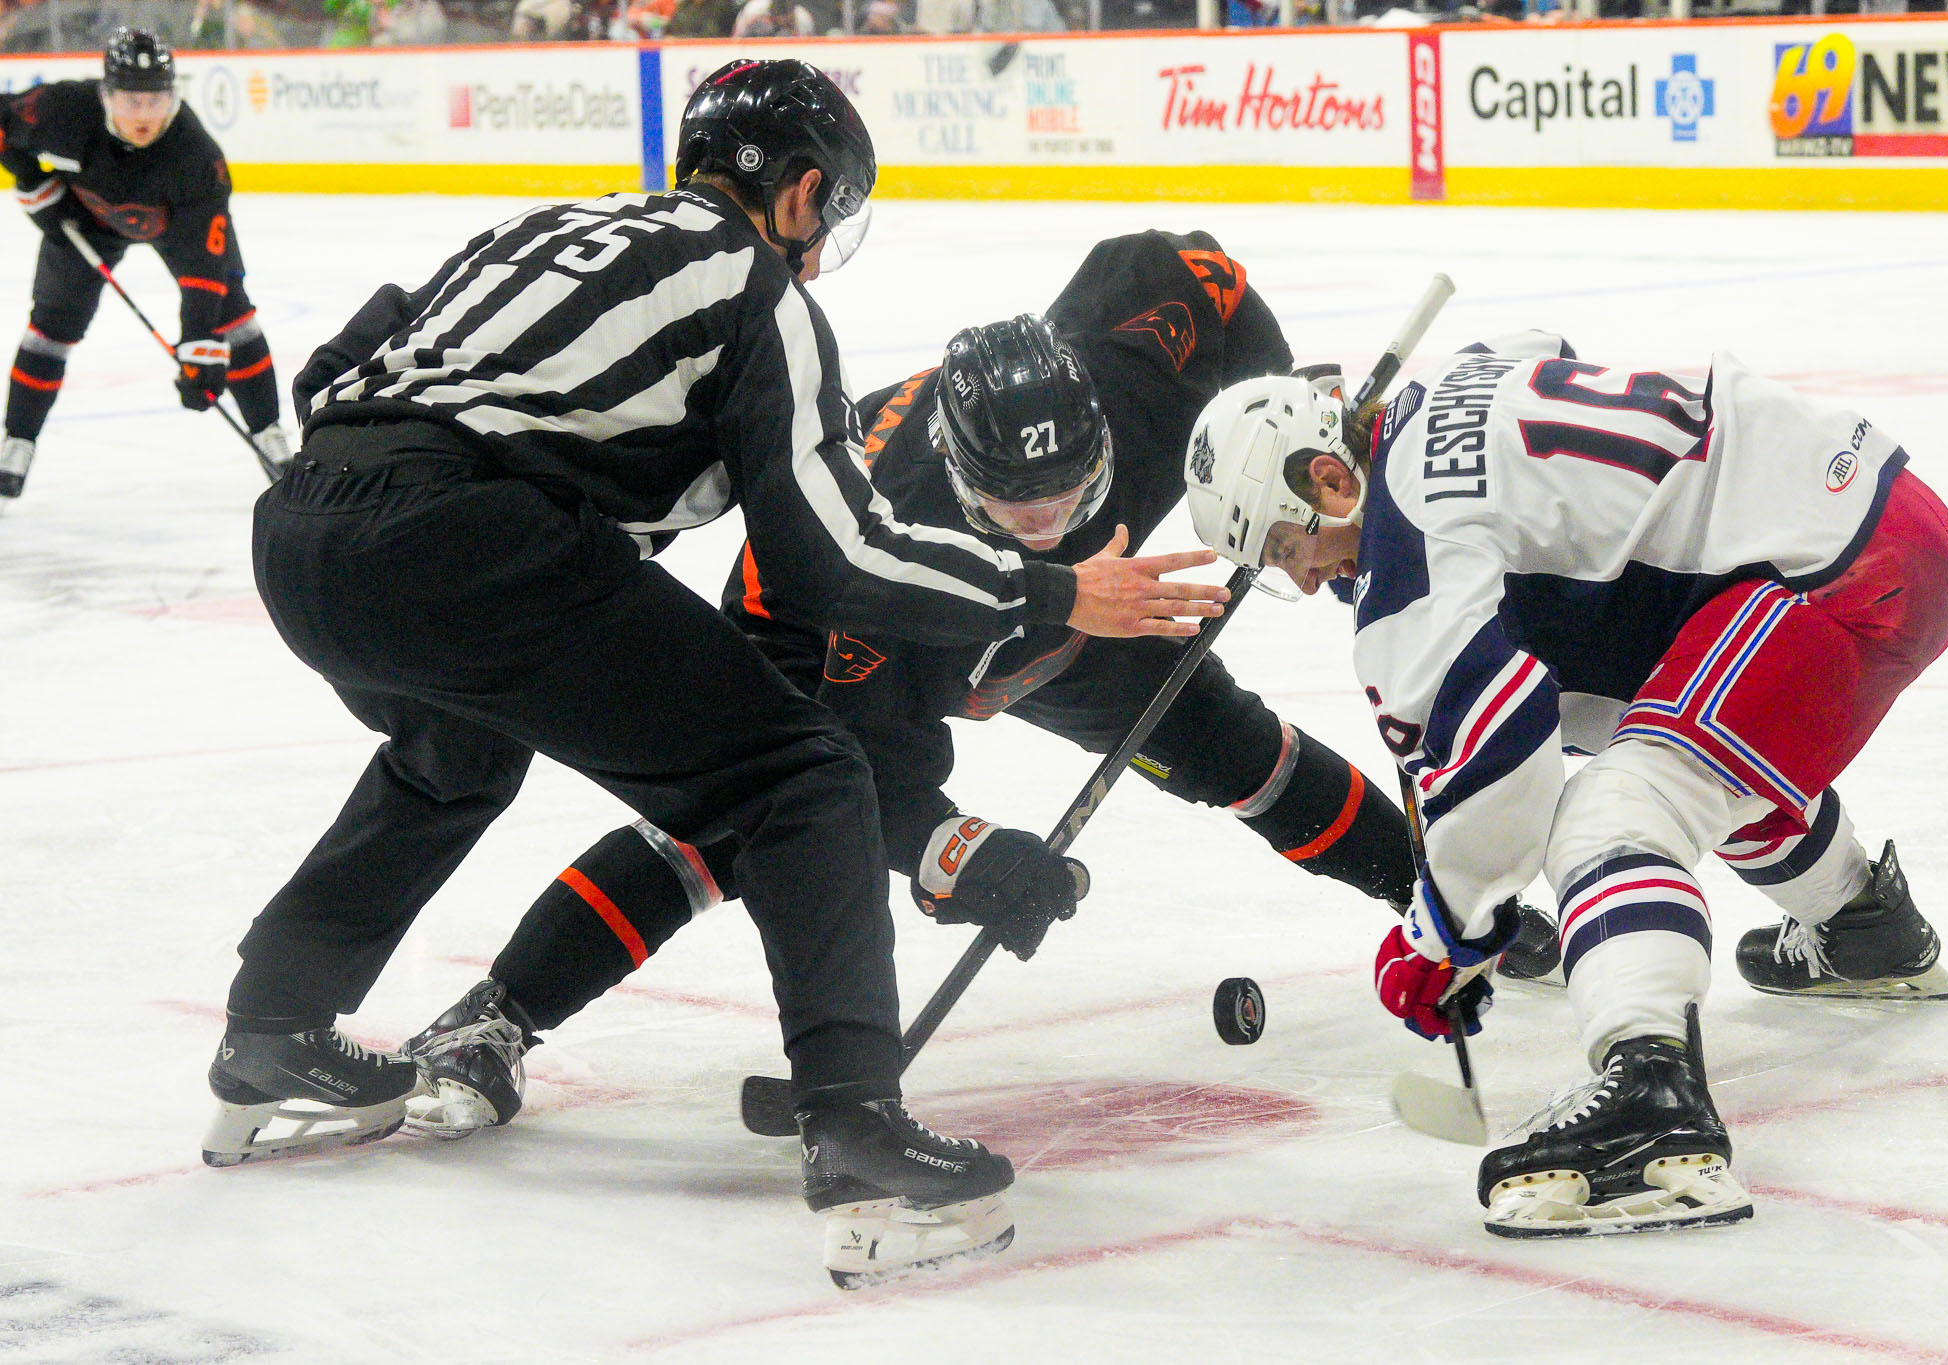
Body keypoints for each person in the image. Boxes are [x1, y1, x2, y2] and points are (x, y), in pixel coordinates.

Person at [199, 59, 1226, 1286]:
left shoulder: (545, 228)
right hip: (462, 539)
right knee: (800, 774)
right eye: (829, 214)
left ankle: (272, 1028)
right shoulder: (755, 289)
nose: (822, 248)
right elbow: (829, 560)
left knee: (452, 756)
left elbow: (343, 360)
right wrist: (1053, 593)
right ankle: (853, 1124)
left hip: (303, 527)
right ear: (797, 194)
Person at [398, 233, 1564, 1142]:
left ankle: (1447, 908)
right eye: (1020, 510)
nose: (1050, 521)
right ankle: (498, 1014)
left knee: (1231, 748)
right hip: (890, 631)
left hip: (1087, 613)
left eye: (1073, 491)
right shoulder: (876, 548)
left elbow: (1198, 272)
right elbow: (873, 783)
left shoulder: (1126, 365)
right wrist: (960, 856)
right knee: (741, 818)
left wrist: (1271, 421)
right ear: (960, 484)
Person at [1182, 329, 1948, 1237]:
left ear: (1328, 476)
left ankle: (1653, 1106)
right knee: (1683, 742)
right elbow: (1537, 350)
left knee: (1612, 816)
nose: (1304, 572)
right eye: (1278, 565)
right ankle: (1865, 926)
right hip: (1865, 512)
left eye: (1288, 544)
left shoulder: (1408, 565)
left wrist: (1445, 932)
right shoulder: (1450, 379)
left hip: (1837, 577)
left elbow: (1504, 771)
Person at [0, 27, 291, 506]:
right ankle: (18, 441)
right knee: (51, 326)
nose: (144, 115)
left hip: (176, 227)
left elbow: (204, 264)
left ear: (173, 97)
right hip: (85, 221)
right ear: (106, 95)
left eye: (155, 101)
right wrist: (32, 183)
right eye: (132, 101)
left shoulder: (196, 157)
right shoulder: (64, 110)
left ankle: (269, 433)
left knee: (232, 318)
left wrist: (199, 343)